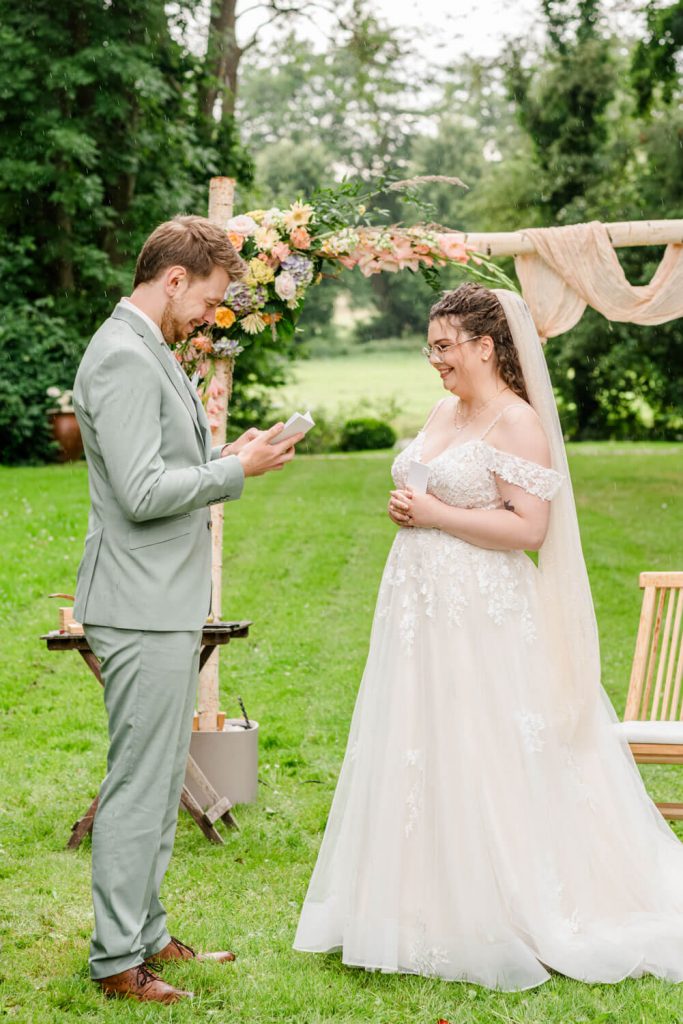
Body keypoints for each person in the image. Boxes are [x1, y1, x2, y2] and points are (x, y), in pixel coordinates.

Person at [294, 282, 683, 991]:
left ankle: (510, 901)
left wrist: (434, 514)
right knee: (423, 739)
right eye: (430, 346)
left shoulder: (516, 423)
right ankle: (420, 904)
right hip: (419, 607)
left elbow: (527, 529)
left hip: (484, 613)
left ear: (484, 345)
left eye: (443, 346)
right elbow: (429, 485)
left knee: (487, 741)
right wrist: (408, 506)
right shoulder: (446, 408)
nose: (433, 360)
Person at [73, 215, 303, 1004]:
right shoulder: (123, 358)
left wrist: (221, 455)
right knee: (140, 785)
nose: (211, 314)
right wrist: (233, 472)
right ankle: (115, 963)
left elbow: (165, 466)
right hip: (138, 603)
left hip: (159, 598)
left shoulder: (145, 349)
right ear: (174, 279)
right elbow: (140, 495)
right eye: (206, 298)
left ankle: (147, 932)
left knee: (165, 772)